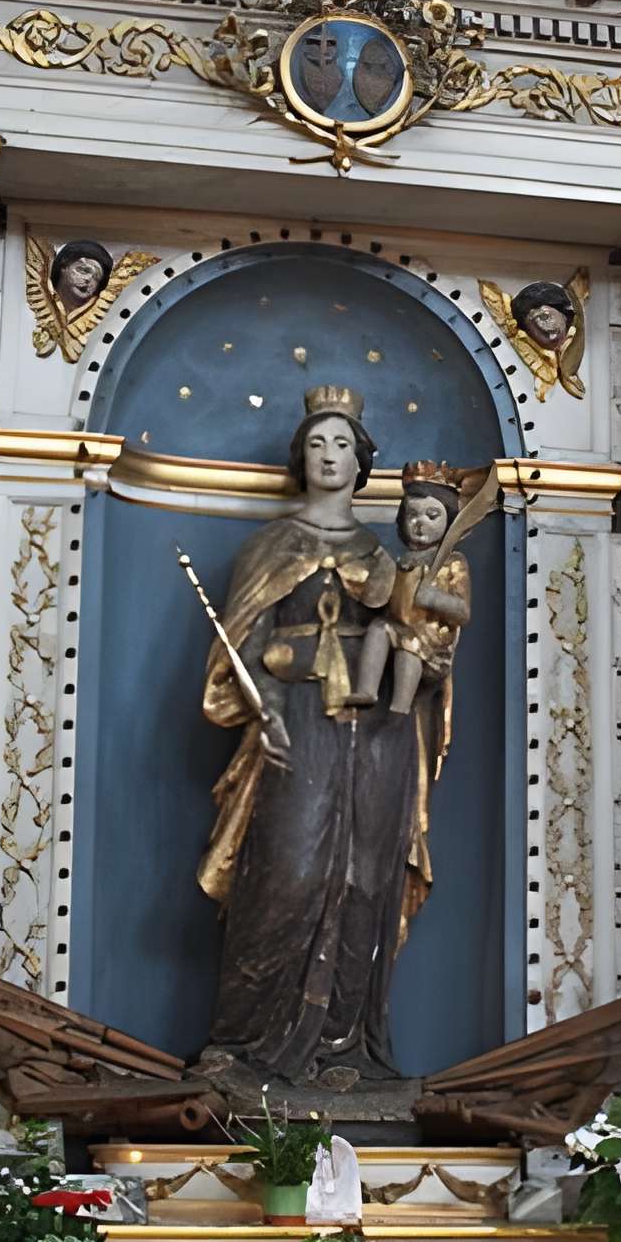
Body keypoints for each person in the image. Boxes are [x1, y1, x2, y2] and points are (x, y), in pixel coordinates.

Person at [192, 384, 423, 1083]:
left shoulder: (387, 559)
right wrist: (263, 696)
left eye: (343, 444)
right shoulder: (270, 547)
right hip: (293, 724)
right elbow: (242, 641)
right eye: (317, 443)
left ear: (361, 463)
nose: (329, 455)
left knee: (362, 882)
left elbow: (424, 639)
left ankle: (341, 1049)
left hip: (377, 734)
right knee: (287, 874)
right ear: (300, 458)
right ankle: (243, 1043)